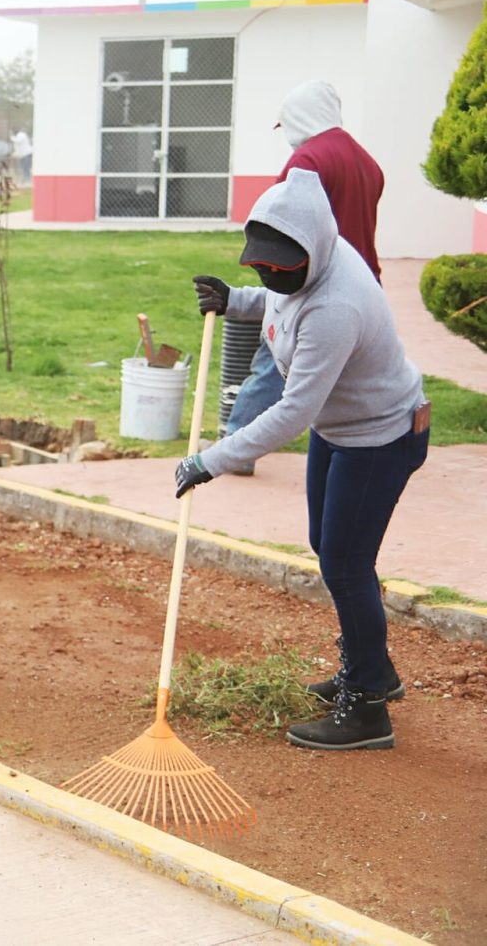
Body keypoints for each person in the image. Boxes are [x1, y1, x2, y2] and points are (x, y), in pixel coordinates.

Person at [180, 168, 427, 752]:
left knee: (344, 562)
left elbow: (292, 411)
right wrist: (236, 300)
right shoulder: (311, 263)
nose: (268, 273)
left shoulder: (337, 305)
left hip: (381, 437)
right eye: (258, 265)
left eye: (278, 268)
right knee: (331, 547)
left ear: (311, 253)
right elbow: (279, 298)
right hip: (341, 428)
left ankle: (368, 708)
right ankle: (375, 671)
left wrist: (210, 461)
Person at [225, 81, 385, 474]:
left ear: (298, 118)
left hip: (311, 283)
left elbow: (278, 226)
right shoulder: (366, 162)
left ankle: (235, 446)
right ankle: (375, 439)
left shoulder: (307, 162)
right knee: (356, 374)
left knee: (273, 363)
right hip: (364, 287)